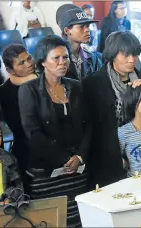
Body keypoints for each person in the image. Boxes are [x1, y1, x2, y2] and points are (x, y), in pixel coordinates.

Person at [18, 35, 91, 227]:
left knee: (77, 219)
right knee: (51, 221)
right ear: (43, 61)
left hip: (77, 169)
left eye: (65, 57)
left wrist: (80, 157)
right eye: (56, 58)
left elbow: (89, 125)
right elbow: (32, 133)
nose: (62, 62)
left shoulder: (75, 86)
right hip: (47, 171)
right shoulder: (29, 90)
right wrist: (64, 159)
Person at [82, 31, 141, 189]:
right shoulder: (93, 83)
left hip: (140, 153)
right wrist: (115, 155)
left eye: (135, 54)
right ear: (112, 54)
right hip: (105, 156)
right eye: (125, 55)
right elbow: (92, 126)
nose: (132, 60)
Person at [0, 44, 37, 192]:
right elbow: (19, 127)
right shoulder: (5, 92)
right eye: (21, 63)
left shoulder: (44, 76)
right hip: (27, 148)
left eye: (29, 58)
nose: (29, 64)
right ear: (9, 70)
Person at [56, 4, 102, 81]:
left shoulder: (92, 58)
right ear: (67, 31)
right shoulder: (58, 61)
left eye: (87, 26)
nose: (87, 30)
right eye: (81, 26)